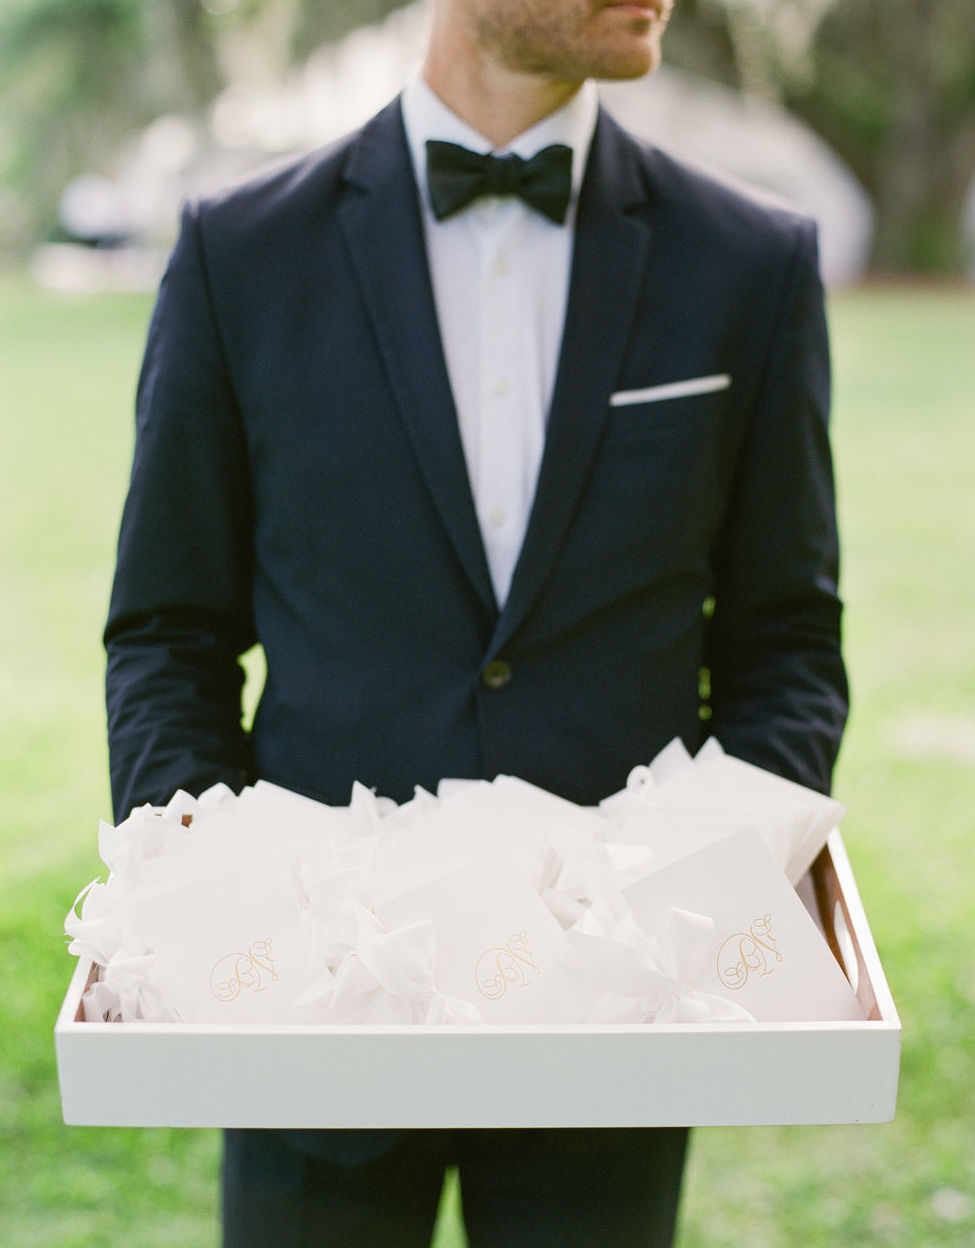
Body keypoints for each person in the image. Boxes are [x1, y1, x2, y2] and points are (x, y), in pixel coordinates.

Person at [104, 0, 848, 1244]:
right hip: (309, 1041)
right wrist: (218, 911)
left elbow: (785, 649)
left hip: (616, 1046)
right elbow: (170, 633)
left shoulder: (750, 261)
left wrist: (687, 910)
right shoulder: (241, 253)